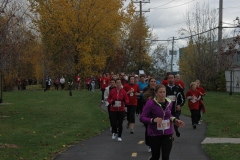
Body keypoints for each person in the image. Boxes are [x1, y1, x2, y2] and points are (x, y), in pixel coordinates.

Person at [140, 84, 185, 160]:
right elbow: (142, 118)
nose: (162, 94)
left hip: (167, 133)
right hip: (154, 134)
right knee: (155, 157)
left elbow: (168, 115)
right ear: (156, 93)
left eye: (164, 92)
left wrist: (175, 120)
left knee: (165, 157)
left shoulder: (169, 102)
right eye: (160, 92)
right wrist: (152, 120)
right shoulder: (150, 103)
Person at [165, 73, 185, 139]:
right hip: (167, 110)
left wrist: (180, 105)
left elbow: (183, 99)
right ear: (167, 79)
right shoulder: (164, 88)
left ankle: (176, 129)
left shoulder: (178, 88)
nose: (170, 80)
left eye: (172, 78)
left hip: (176, 109)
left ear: (174, 79)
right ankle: (171, 135)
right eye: (169, 78)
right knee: (169, 122)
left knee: (176, 121)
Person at [142, 77, 157, 153]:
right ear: (149, 82)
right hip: (147, 113)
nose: (153, 82)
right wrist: (148, 99)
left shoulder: (158, 90)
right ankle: (149, 144)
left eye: (154, 81)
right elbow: (142, 100)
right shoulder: (145, 90)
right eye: (152, 81)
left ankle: (156, 144)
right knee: (148, 129)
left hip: (156, 113)